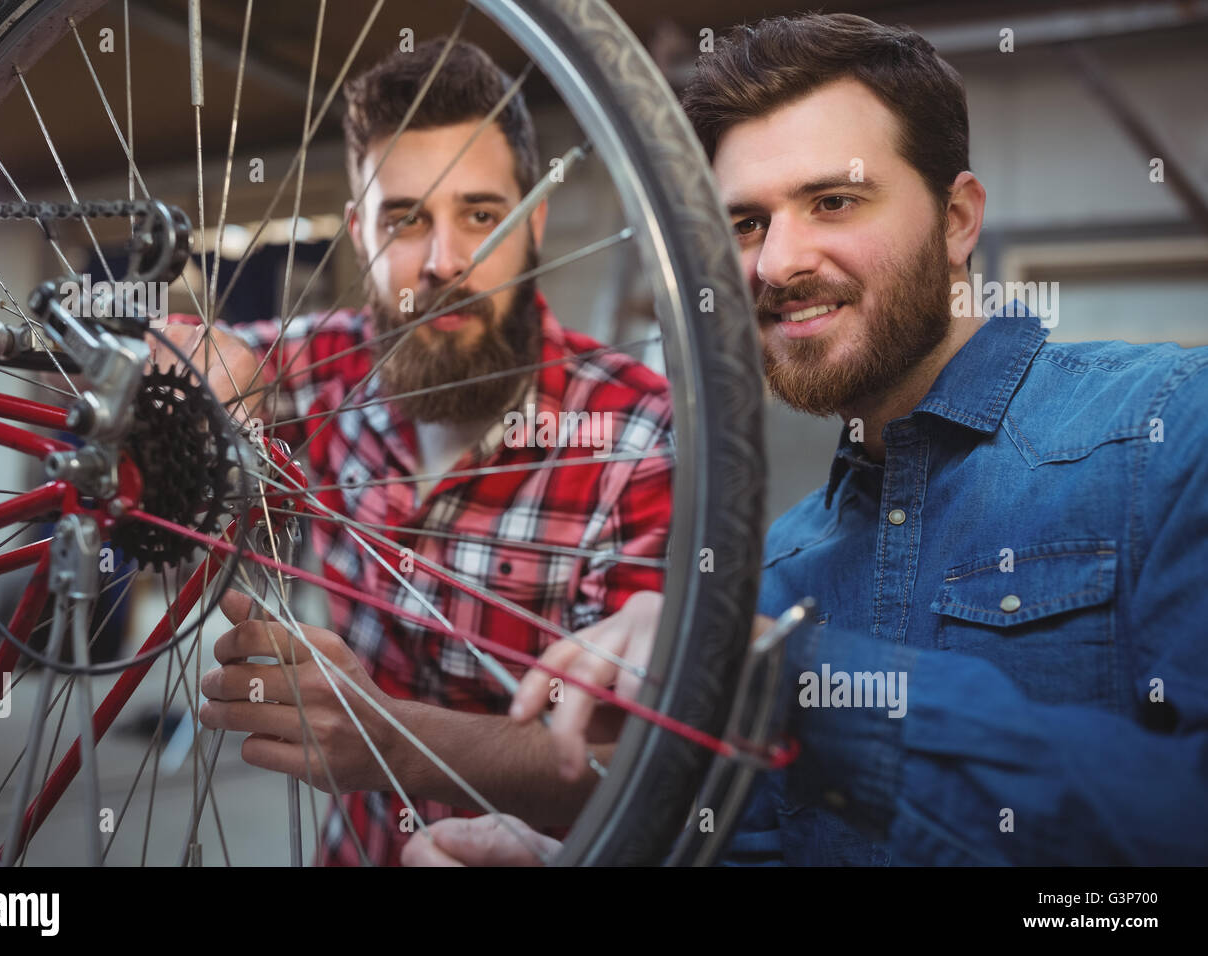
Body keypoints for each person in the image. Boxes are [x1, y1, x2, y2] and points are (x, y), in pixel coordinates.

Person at [407, 12, 1208, 866]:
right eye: (746, 223)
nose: (776, 263)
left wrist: (793, 682)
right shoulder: (780, 574)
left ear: (958, 219)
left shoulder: (1168, 432)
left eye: (834, 201)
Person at [164, 38, 673, 866]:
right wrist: (178, 351)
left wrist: (389, 741)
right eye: (405, 218)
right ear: (358, 234)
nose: (445, 262)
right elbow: (211, 354)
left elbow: (641, 763)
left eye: (482, 215)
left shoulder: (637, 433)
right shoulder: (327, 370)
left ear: (535, 222)